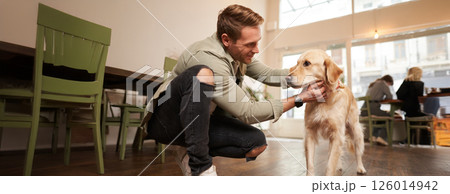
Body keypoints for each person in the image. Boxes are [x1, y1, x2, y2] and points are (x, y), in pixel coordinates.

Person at [142, 4, 327, 176]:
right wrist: (300, 98)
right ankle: (201, 168)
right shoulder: (208, 57)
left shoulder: (237, 53)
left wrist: (305, 74)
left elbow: (268, 74)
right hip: (165, 122)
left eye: (257, 42)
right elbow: (247, 111)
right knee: (203, 74)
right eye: (250, 44)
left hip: (201, 122)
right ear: (226, 39)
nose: (256, 49)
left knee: (256, 143)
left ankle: (187, 151)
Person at [396, 67, 431, 144]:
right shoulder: (420, 84)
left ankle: (409, 139)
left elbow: (399, 94)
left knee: (409, 118)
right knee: (429, 117)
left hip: (407, 110)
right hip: (415, 110)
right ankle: (424, 141)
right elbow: (420, 98)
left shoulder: (406, 82)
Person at [361, 75, 394, 146]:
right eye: (389, 85)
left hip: (364, 110)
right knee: (389, 116)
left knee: (381, 116)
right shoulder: (383, 83)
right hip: (372, 108)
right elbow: (390, 97)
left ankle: (374, 136)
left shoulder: (373, 84)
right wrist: (383, 98)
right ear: (388, 82)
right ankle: (382, 137)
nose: (388, 86)